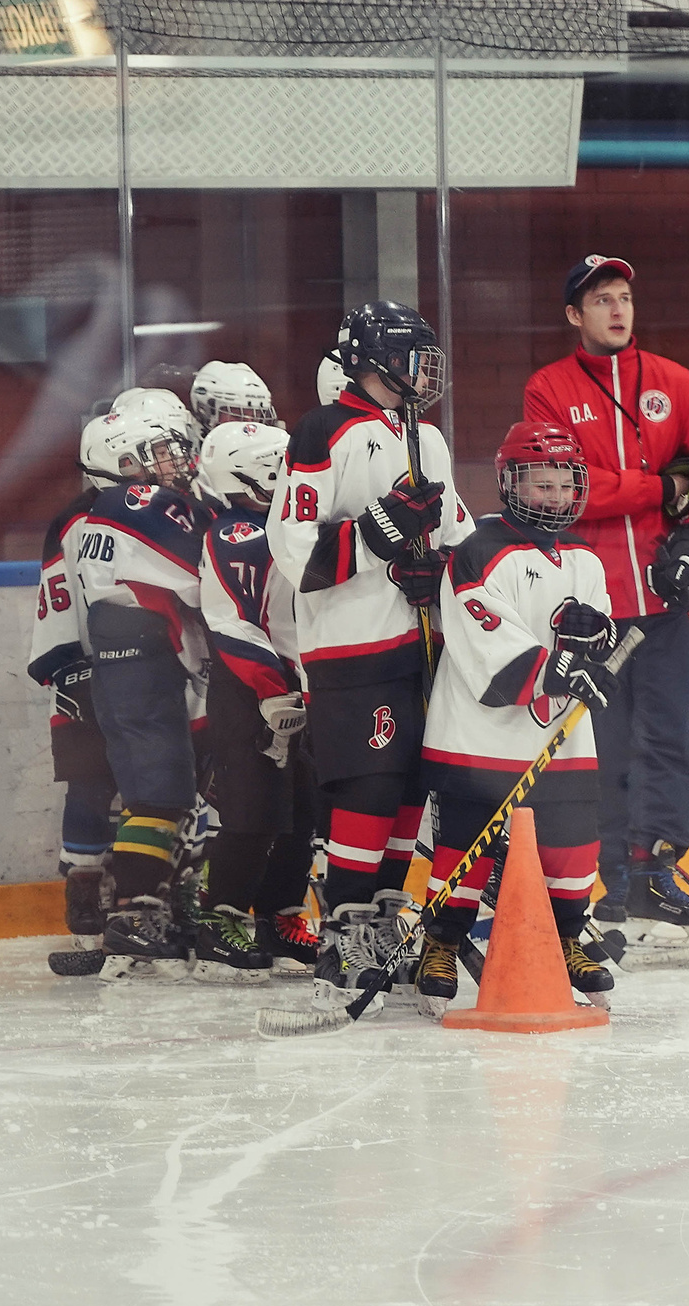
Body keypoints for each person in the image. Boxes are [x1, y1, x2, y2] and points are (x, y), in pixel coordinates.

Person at [524, 255, 689, 935]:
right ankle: (610, 879)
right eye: (600, 300)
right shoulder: (548, 389)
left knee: (668, 741)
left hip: (663, 600)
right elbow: (569, 485)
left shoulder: (678, 385)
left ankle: (655, 874)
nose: (617, 310)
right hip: (590, 606)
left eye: (623, 298)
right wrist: (660, 489)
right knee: (605, 749)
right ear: (573, 315)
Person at [265, 301, 472, 1001]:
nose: (425, 370)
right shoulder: (325, 431)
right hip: (350, 647)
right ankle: (344, 930)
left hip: (420, 646)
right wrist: (380, 534)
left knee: (411, 788)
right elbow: (297, 556)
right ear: (370, 358)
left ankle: (381, 919)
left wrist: (437, 572)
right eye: (413, 355)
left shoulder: (428, 438)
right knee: (369, 788)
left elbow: (456, 538)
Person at [413, 422, 621, 1000]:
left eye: (563, 484)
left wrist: (593, 638)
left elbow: (600, 632)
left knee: (573, 847)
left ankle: (567, 937)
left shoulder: (585, 559)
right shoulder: (477, 550)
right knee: (464, 846)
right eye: (540, 484)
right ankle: (444, 941)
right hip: (479, 734)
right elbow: (485, 639)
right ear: (509, 483)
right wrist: (557, 665)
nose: (555, 497)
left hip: (561, 736)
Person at [65, 401, 211, 961]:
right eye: (155, 454)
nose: (170, 462)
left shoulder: (95, 512)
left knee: (158, 791)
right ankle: (135, 912)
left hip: (119, 665)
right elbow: (205, 569)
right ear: (120, 462)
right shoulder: (136, 501)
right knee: (160, 791)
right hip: (149, 661)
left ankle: (145, 906)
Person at [192, 418, 321, 973]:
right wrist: (272, 691)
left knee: (300, 811)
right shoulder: (235, 533)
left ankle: (280, 916)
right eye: (278, 467)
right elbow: (233, 623)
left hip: (301, 690)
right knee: (253, 811)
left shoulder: (288, 524)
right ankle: (218, 917)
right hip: (250, 693)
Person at [27, 413, 123, 961]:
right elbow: (57, 597)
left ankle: (148, 897)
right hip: (88, 670)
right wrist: (70, 667)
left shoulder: (170, 506)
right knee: (90, 784)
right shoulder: (73, 519)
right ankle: (84, 889)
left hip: (156, 673)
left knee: (158, 787)